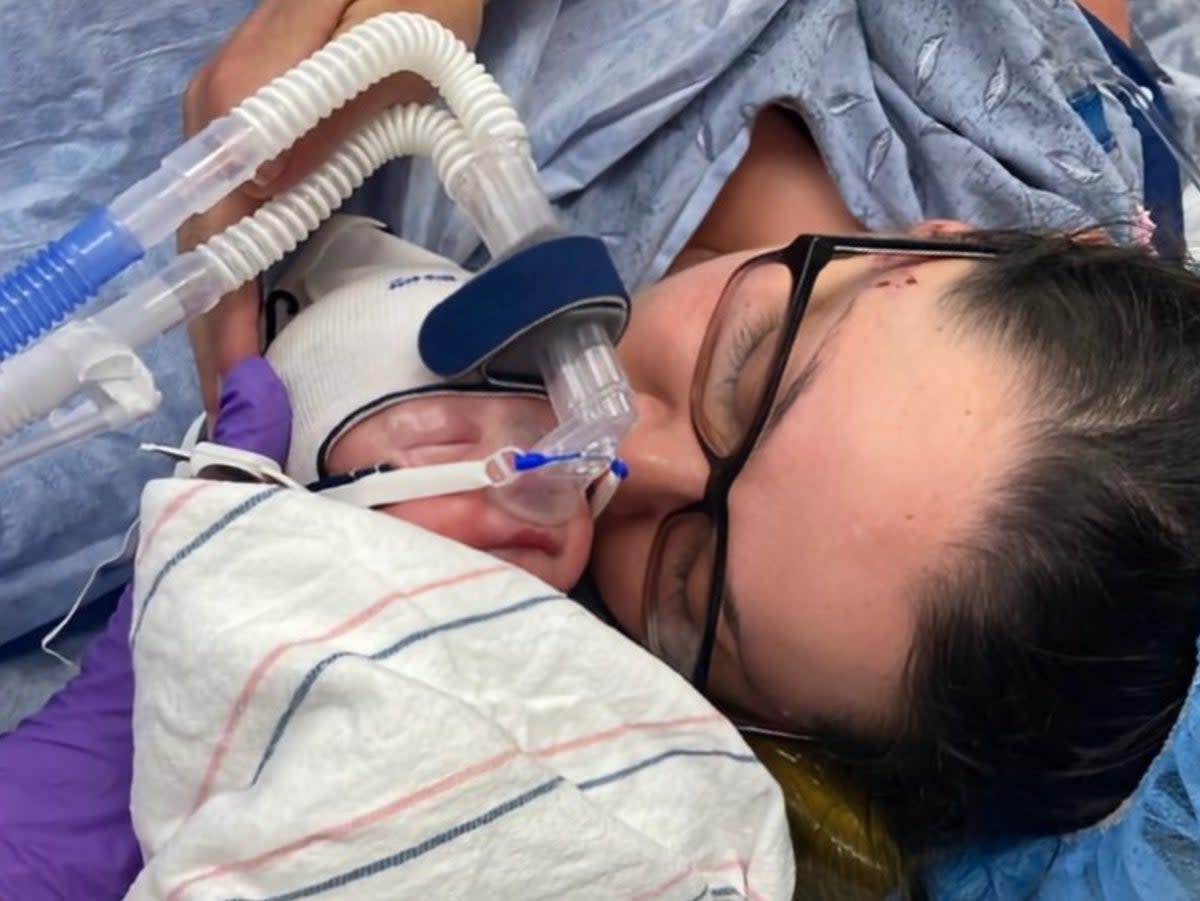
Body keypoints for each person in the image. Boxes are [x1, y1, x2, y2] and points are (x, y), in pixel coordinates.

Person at [10, 0, 1200, 897]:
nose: (623, 453)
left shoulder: (360, 517)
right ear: (949, 239)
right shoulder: (1027, 111)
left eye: (685, 585)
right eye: (743, 369)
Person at [119, 218, 791, 899]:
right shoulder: (289, 588)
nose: (537, 482)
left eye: (560, 449)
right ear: (308, 494)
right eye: (441, 443)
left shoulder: (601, 652)